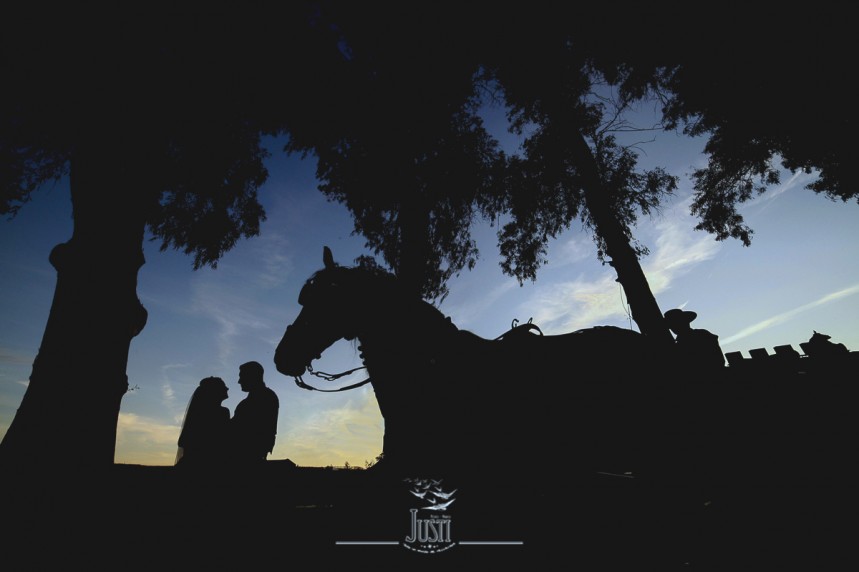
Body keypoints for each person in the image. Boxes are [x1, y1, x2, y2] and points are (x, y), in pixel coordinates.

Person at [230, 361, 279, 465]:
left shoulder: (265, 398)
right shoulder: (266, 396)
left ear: (252, 376)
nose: (239, 381)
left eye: (242, 376)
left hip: (247, 456)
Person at [175, 376, 231, 469]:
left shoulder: (198, 413)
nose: (227, 388)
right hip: (211, 464)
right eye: (223, 386)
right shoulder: (222, 412)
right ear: (215, 391)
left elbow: (183, 441)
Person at [664, 308, 726, 373]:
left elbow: (718, 360)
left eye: (677, 323)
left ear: (686, 322)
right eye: (672, 325)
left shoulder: (702, 334)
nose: (674, 327)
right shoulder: (678, 345)